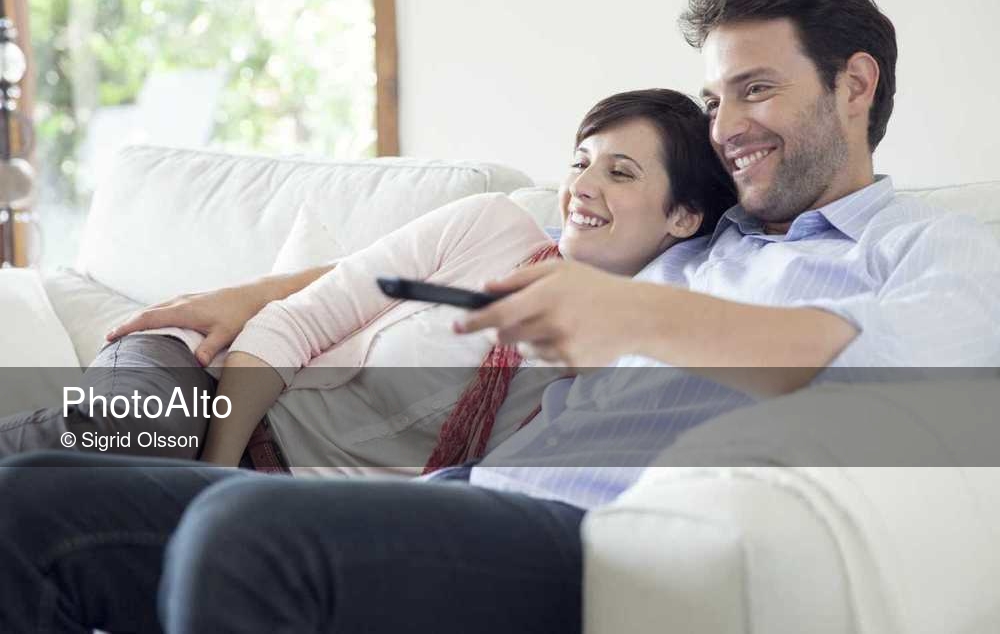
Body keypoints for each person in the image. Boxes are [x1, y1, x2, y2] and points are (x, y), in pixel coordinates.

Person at [2, 0, 999, 633]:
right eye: (714, 99)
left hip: (604, 541)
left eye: (756, 89)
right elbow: (461, 250)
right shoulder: (696, 234)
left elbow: (899, 374)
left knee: (248, 535)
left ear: (854, 85)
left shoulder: (933, 246)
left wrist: (637, 315)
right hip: (465, 496)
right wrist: (253, 291)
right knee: (33, 499)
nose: (727, 124)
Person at [0, 89, 735, 471]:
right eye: (581, 161)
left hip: (282, 492)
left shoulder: (633, 350)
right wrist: (215, 476)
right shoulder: (492, 226)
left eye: (620, 172)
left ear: (683, 215)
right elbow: (293, 321)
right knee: (145, 437)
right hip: (205, 376)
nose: (583, 186)